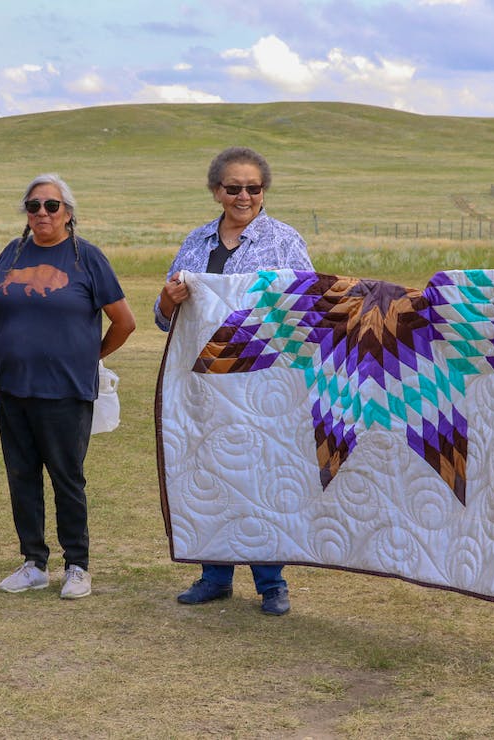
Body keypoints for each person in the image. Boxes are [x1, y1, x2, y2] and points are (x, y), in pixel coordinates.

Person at [154, 146, 313, 616]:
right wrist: (169, 299)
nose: (243, 196)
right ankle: (214, 574)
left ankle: (271, 581)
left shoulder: (285, 241)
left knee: (263, 474)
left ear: (264, 191)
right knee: (209, 472)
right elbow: (165, 320)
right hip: (204, 382)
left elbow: (306, 312)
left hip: (261, 382)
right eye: (233, 187)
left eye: (253, 187)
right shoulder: (197, 242)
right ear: (216, 190)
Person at [0, 173, 135, 600]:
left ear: (68, 212)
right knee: (21, 475)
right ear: (26, 214)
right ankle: (33, 563)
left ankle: (77, 566)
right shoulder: (13, 253)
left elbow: (125, 322)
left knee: (67, 478)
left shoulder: (87, 259)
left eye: (51, 205)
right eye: (34, 206)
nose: (42, 213)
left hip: (65, 391)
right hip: (12, 386)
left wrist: (89, 358)